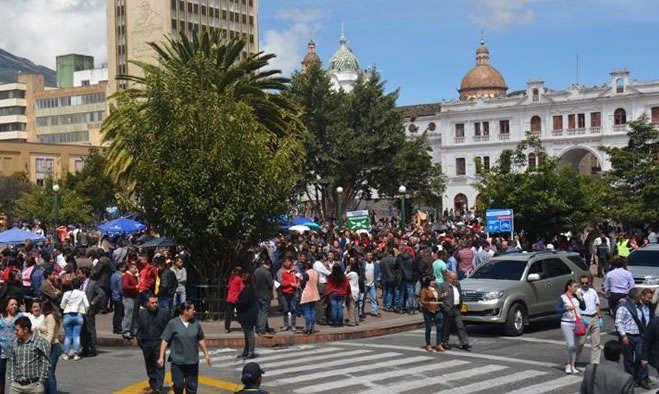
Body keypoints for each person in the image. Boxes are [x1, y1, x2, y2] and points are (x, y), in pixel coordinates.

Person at [158, 302, 212, 394]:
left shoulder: (196, 323)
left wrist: (206, 354)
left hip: (192, 361)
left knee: (192, 387)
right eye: (192, 309)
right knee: (178, 385)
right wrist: (161, 357)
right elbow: (165, 340)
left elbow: (200, 339)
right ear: (185, 311)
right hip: (178, 362)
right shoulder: (173, 323)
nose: (194, 311)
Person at [615, 288, 651, 389]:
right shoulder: (623, 307)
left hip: (639, 336)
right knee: (629, 360)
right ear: (635, 297)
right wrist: (623, 336)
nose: (641, 299)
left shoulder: (639, 306)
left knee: (641, 357)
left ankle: (642, 378)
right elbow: (619, 322)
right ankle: (631, 380)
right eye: (639, 297)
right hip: (628, 336)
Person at [6, 316, 50, 394]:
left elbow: (45, 362)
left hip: (34, 386)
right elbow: (11, 361)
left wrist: (41, 381)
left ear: (25, 330)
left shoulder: (41, 342)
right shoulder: (15, 342)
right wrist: (12, 381)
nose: (15, 332)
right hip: (16, 386)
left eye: (17, 330)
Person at [137, 294, 170, 394]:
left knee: (159, 365)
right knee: (150, 366)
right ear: (147, 303)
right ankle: (153, 385)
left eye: (156, 302)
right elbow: (139, 328)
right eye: (152, 303)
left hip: (158, 343)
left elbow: (168, 329)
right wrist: (140, 340)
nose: (154, 304)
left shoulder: (164, 313)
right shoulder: (142, 313)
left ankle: (158, 388)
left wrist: (166, 342)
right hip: (146, 343)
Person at [438, 271, 471, 351]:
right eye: (453, 279)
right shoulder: (442, 285)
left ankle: (464, 343)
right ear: (449, 278)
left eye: (456, 279)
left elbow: (460, 295)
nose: (455, 280)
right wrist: (444, 307)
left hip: (456, 308)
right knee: (447, 327)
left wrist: (461, 304)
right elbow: (438, 298)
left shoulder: (457, 284)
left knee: (460, 326)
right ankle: (444, 342)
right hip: (448, 309)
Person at [78, 267, 105, 357]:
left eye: (80, 273)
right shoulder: (80, 284)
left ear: (84, 274)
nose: (78, 275)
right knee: (83, 330)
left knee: (90, 329)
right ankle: (85, 347)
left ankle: (93, 348)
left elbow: (101, 294)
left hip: (89, 310)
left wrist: (93, 302)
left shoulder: (93, 284)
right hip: (81, 310)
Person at [558, 279, 582, 374]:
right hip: (566, 323)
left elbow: (583, 307)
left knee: (575, 346)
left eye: (577, 287)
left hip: (577, 323)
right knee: (570, 345)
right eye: (575, 286)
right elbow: (557, 309)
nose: (577, 289)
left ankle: (573, 365)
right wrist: (565, 309)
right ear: (569, 287)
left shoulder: (577, 297)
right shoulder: (562, 297)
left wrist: (581, 298)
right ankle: (568, 364)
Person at [59, 281, 88, 361]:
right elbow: (87, 305)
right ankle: (76, 354)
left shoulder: (66, 293)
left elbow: (62, 305)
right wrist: (85, 311)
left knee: (68, 336)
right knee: (76, 335)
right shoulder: (82, 293)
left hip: (67, 315)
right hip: (78, 315)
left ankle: (66, 354)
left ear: (71, 285)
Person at [575, 275, 601, 365]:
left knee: (596, 342)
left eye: (586, 283)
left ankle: (595, 362)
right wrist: (580, 318)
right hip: (583, 318)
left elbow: (597, 304)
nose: (585, 285)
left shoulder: (593, 291)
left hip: (594, 317)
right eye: (582, 283)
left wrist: (599, 316)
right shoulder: (578, 292)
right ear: (580, 283)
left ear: (589, 282)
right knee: (581, 342)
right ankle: (574, 359)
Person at [0, 297, 22, 393]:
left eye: (16, 304)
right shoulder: (0, 317)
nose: (14, 306)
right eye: (12, 304)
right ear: (6, 306)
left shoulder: (20, 316)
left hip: (16, 349)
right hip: (1, 350)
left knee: (16, 375)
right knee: (0, 375)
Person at [39, 300, 61, 394]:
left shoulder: (50, 317)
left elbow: (50, 334)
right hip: (50, 346)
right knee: (47, 372)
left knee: (49, 372)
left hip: (52, 346)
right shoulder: (47, 317)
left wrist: (45, 347)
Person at [419, 276, 446, 352]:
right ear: (428, 282)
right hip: (428, 310)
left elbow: (437, 298)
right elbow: (422, 301)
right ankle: (428, 345)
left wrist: (442, 296)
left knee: (439, 327)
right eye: (432, 281)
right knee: (428, 328)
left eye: (434, 280)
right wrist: (429, 302)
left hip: (437, 309)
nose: (434, 282)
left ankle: (439, 344)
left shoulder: (436, 288)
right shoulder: (424, 290)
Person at [236, 272, 258, 359]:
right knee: (247, 333)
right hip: (247, 313)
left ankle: (250, 352)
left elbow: (245, 302)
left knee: (249, 333)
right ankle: (246, 351)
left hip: (248, 314)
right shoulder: (249, 289)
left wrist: (237, 302)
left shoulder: (248, 290)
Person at [276, 258, 300, 331]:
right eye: (285, 261)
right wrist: (290, 283)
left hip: (294, 292)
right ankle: (286, 325)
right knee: (285, 309)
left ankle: (293, 325)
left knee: (294, 309)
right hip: (284, 293)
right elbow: (281, 282)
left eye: (289, 261)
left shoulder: (295, 270)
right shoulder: (280, 271)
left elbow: (300, 278)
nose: (287, 263)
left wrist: (298, 284)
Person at [254, 260, 274, 336]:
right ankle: (262, 329)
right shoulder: (267, 273)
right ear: (268, 265)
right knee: (264, 312)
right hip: (266, 295)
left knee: (259, 311)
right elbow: (270, 284)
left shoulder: (256, 271)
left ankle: (258, 328)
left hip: (257, 294)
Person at [299, 261, 320, 335]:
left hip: (307, 293)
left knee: (307, 312)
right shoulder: (316, 273)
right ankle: (313, 327)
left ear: (306, 268)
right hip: (314, 293)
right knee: (313, 311)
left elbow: (302, 285)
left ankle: (307, 328)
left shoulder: (306, 274)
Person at [121, 262, 140, 340]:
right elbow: (125, 286)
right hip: (128, 297)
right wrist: (135, 287)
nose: (136, 270)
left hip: (134, 297)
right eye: (135, 268)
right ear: (130, 268)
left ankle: (133, 330)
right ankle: (126, 330)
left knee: (134, 314)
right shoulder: (127, 276)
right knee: (128, 314)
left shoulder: (133, 276)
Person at [361, 251, 381, 317]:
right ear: (366, 256)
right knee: (362, 299)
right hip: (365, 284)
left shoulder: (375, 264)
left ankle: (374, 311)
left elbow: (378, 271)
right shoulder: (363, 263)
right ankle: (361, 312)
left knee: (373, 298)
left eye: (371, 255)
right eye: (368, 255)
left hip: (372, 284)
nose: (370, 257)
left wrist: (378, 278)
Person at [225, 266, 244, 333]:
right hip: (236, 298)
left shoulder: (231, 278)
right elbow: (242, 289)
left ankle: (226, 328)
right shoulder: (239, 279)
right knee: (240, 313)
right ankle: (243, 326)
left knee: (228, 314)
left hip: (229, 298)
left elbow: (228, 286)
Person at [110, 264, 124, 335]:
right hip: (119, 297)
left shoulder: (113, 275)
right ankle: (118, 328)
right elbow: (120, 288)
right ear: (120, 268)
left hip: (114, 296)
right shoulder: (120, 276)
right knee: (119, 313)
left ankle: (115, 327)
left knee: (116, 313)